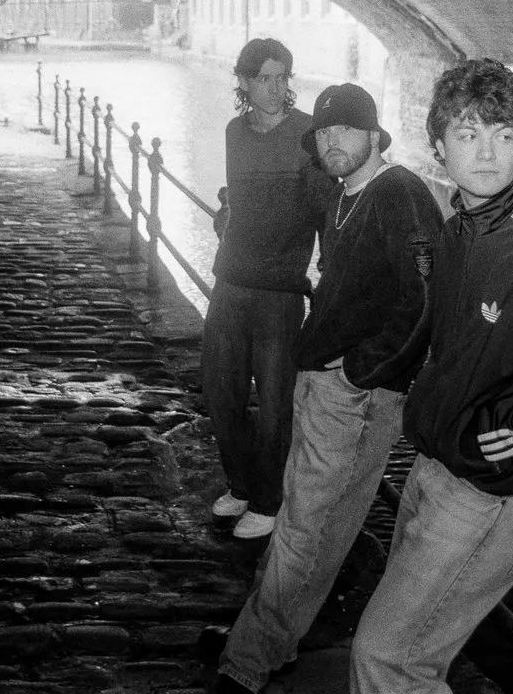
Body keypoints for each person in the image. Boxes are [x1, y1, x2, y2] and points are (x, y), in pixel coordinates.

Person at [351, 59, 513, 693]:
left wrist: (486, 440)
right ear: (438, 144)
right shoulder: (458, 227)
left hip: (491, 490)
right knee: (410, 661)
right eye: (467, 134)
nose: (487, 153)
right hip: (433, 468)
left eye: (503, 134)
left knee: (386, 658)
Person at [216, 82, 443, 693]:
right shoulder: (343, 195)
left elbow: (424, 298)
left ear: (374, 134)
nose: (332, 141)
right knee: (309, 520)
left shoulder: (399, 194)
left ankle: (248, 660)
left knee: (306, 528)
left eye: (345, 129)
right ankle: (271, 640)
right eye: (322, 133)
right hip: (325, 384)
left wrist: (360, 371)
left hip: (355, 394)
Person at [204, 38, 333, 539]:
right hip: (230, 279)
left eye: (283, 77)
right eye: (264, 77)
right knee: (220, 389)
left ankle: (269, 499)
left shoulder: (307, 136)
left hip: (280, 289)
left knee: (276, 401)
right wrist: (226, 211)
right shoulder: (235, 131)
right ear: (243, 81)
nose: (276, 87)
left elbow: (326, 212)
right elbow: (238, 194)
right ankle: (241, 484)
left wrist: (329, 281)